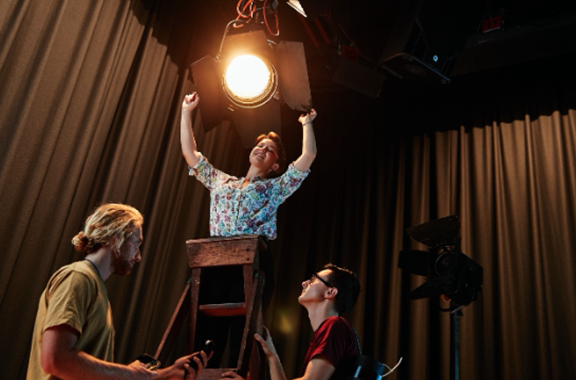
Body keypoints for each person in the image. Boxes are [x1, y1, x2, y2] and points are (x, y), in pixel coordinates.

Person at [180, 92, 318, 367]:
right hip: (218, 260)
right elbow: (190, 153)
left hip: (252, 260)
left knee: (240, 331)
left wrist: (307, 124)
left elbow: (309, 155)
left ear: (275, 164)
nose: (262, 150)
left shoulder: (274, 188)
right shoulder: (222, 181)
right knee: (209, 332)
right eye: (260, 145)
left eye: (270, 150)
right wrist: (186, 112)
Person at [27, 203, 209, 380]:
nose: (138, 256)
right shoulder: (78, 278)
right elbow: (55, 360)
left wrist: (163, 374)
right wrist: (129, 373)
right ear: (116, 237)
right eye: (136, 244)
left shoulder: (96, 288)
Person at [221, 264, 361, 380]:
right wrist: (272, 354)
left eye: (313, 279)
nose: (304, 283)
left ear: (330, 292)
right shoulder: (332, 328)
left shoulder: (334, 325)